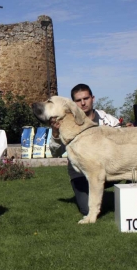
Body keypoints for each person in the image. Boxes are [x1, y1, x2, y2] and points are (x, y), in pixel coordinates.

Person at [48, 84, 121, 215]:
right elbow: (55, 153)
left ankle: (129, 201)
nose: (83, 103)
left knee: (134, 168)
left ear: (92, 98)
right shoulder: (65, 122)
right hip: (80, 174)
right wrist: (55, 133)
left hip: (108, 169)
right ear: (73, 103)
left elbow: (122, 141)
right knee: (86, 210)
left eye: (86, 98)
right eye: (78, 100)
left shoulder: (107, 120)